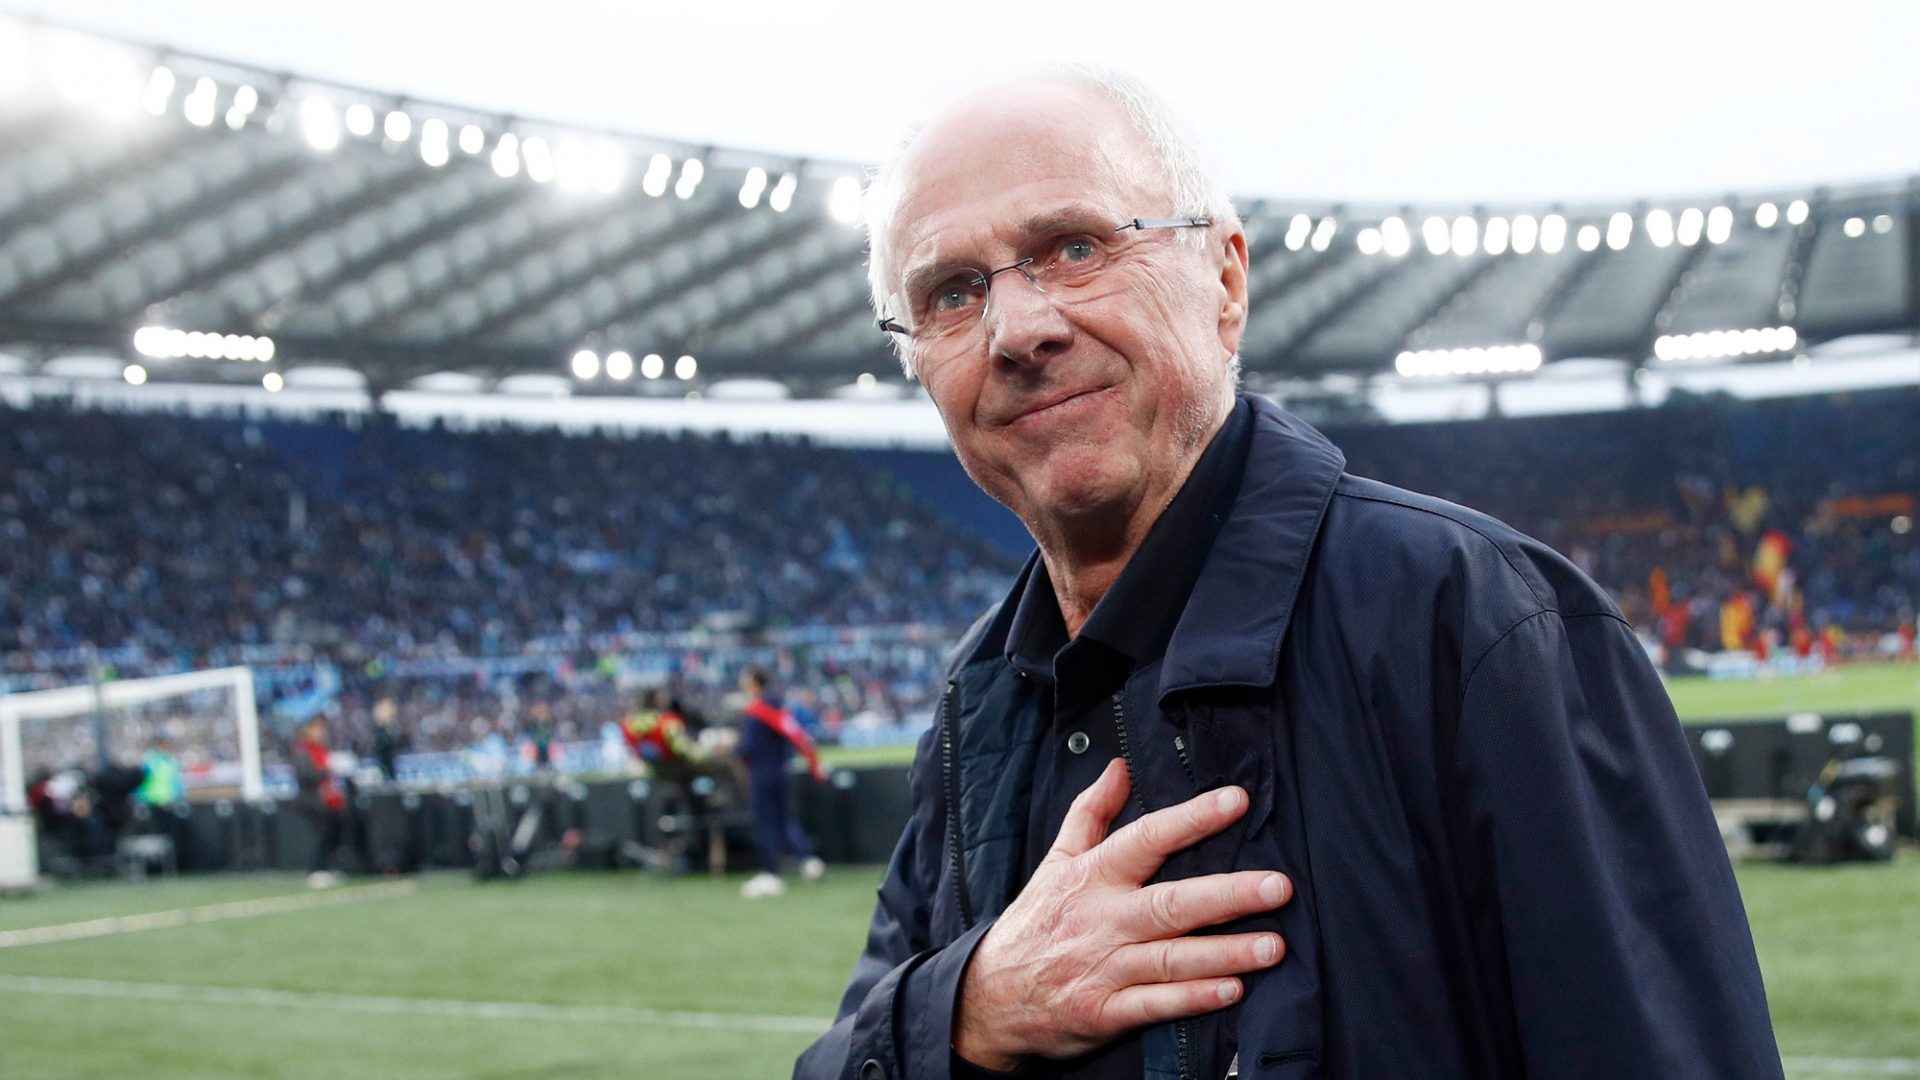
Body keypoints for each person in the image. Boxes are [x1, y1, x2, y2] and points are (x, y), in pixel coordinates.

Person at [796, 68, 1781, 1079]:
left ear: (1225, 283)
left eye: (1076, 248)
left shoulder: (1478, 623)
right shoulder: (983, 700)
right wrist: (970, 1007)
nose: (1017, 330)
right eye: (952, 293)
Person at [735, 667, 826, 898]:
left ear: (754, 683)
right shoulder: (779, 709)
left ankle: (770, 873)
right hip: (781, 770)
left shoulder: (755, 712)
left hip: (761, 773)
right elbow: (796, 737)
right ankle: (807, 859)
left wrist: (731, 749)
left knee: (766, 823)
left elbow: (748, 748)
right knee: (783, 819)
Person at [290, 717, 347, 888]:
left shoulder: (322, 750)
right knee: (319, 835)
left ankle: (327, 867)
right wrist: (327, 771)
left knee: (331, 833)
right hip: (312, 801)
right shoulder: (302, 750)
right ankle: (316, 869)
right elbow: (305, 776)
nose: (321, 732)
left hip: (328, 800)